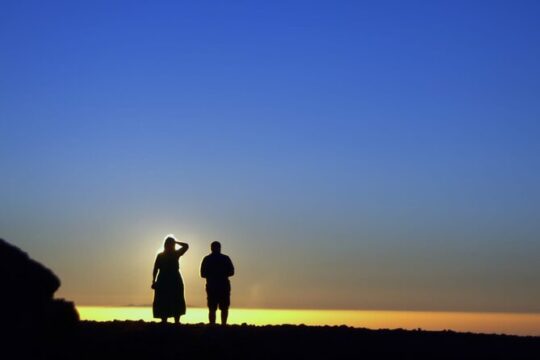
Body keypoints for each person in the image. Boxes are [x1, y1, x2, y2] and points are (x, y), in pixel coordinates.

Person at [152, 235, 189, 324]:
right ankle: (165, 320)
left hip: (173, 278)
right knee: (164, 299)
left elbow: (186, 246)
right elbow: (155, 268)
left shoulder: (175, 253)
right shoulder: (162, 255)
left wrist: (175, 241)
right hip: (165, 278)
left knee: (176, 298)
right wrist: (154, 281)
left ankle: (175, 320)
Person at [200, 241, 235, 325]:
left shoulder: (207, 259)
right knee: (219, 308)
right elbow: (231, 272)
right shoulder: (225, 258)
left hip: (216, 286)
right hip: (219, 286)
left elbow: (202, 274)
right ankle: (221, 325)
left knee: (216, 308)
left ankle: (216, 325)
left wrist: (213, 274)